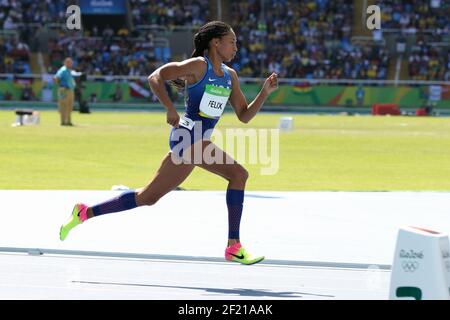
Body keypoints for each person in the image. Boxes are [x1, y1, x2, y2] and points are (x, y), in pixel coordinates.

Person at [59, 21, 278, 265]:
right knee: (238, 175)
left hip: (198, 141)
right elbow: (156, 77)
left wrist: (264, 93)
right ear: (215, 43)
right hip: (186, 136)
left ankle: (84, 212)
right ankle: (233, 246)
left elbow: (244, 116)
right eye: (232, 42)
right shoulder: (198, 66)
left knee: (147, 197)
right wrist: (170, 108)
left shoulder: (230, 76)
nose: (236, 47)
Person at [53, 57, 76, 126]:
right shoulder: (63, 70)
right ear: (65, 63)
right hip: (64, 89)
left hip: (70, 89)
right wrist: (61, 86)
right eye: (69, 62)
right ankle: (63, 121)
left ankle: (68, 121)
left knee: (70, 106)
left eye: (71, 63)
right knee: (64, 106)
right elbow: (56, 78)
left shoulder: (69, 71)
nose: (71, 64)